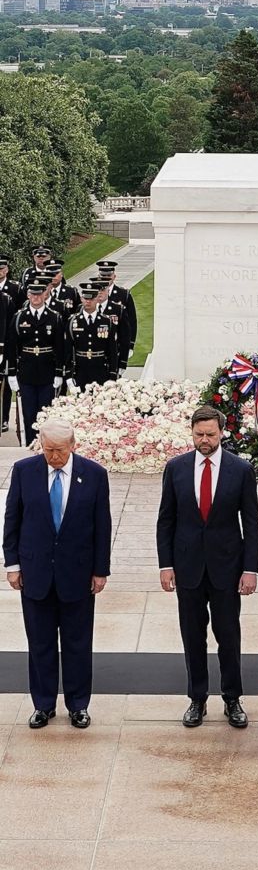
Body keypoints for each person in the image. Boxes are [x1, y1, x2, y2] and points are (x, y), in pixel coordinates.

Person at [2, 417, 112, 729]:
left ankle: (78, 705)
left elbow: (102, 526)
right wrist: (13, 565)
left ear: (73, 445)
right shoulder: (24, 471)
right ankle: (43, 704)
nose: (54, 456)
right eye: (48, 449)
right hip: (35, 573)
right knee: (40, 643)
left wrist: (100, 570)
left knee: (78, 643)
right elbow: (13, 520)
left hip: (77, 574)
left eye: (60, 450)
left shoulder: (94, 474)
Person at [156, 404, 258, 729]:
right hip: (187, 567)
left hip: (226, 568)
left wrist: (250, 569)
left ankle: (232, 698)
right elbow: (166, 520)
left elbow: (251, 523)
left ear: (221, 433)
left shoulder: (240, 470)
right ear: (192, 432)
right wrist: (165, 564)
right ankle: (197, 698)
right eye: (199, 434)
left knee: (228, 635)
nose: (205, 440)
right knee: (192, 635)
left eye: (210, 435)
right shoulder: (175, 468)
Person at [7, 282, 64, 445]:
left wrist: (59, 372)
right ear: (28, 295)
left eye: (39, 294)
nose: (36, 297)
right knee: (29, 413)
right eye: (33, 294)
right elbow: (12, 346)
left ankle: (45, 445)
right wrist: (12, 373)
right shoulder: (19, 317)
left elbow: (60, 347)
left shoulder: (54, 317)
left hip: (47, 372)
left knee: (46, 412)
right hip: (27, 372)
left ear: (45, 295)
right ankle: (31, 445)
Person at [64, 283, 118, 391]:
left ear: (97, 299)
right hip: (80, 371)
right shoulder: (73, 321)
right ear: (81, 299)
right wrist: (69, 375)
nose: (88, 302)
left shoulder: (106, 321)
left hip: (101, 370)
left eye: (91, 299)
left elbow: (112, 350)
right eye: (85, 298)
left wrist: (112, 375)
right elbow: (68, 350)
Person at [95, 260, 137, 357]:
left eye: (108, 275)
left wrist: (130, 345)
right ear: (98, 276)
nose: (106, 278)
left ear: (114, 276)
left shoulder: (124, 295)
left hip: (117, 345)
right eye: (103, 275)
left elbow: (132, 321)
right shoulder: (93, 295)